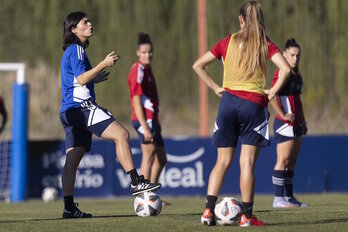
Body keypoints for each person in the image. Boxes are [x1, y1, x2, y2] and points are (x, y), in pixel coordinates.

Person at [192, 1, 291, 227]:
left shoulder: (228, 41)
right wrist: (273, 91)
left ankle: (208, 211)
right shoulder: (265, 43)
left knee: (222, 161)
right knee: (246, 163)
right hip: (253, 105)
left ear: (241, 20)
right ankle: (246, 216)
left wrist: (216, 87)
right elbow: (285, 69)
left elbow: (198, 65)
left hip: (228, 103)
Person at [60, 12, 161, 219]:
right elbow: (80, 79)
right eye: (84, 22)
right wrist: (102, 65)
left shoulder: (71, 51)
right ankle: (136, 181)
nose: (90, 24)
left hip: (68, 111)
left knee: (73, 159)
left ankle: (68, 207)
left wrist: (94, 79)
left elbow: (75, 79)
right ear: (73, 29)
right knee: (122, 135)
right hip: (81, 107)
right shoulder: (77, 49)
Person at [127, 33, 167, 196]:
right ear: (138, 53)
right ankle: (143, 196)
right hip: (145, 121)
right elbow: (136, 101)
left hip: (152, 119)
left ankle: (151, 193)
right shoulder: (138, 70)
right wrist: (146, 127)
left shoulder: (147, 69)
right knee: (148, 156)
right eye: (144, 52)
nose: (147, 55)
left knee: (161, 159)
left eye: (150, 52)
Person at [270, 38, 308, 208]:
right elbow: (272, 96)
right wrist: (283, 114)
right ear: (284, 55)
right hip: (285, 124)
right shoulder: (282, 73)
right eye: (292, 55)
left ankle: (289, 198)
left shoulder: (297, 75)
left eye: (297, 56)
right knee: (283, 160)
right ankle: (278, 199)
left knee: (291, 162)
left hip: (298, 124)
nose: (295, 58)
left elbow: (297, 100)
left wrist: (304, 121)